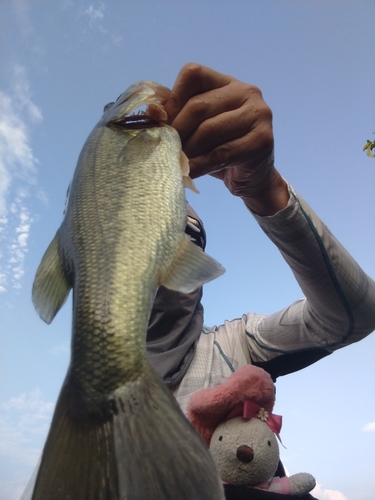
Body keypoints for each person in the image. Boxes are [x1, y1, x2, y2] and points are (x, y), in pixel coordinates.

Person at [145, 63, 375, 500]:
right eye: (137, 231)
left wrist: (264, 188)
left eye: (185, 236)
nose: (163, 252)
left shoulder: (235, 344)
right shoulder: (87, 390)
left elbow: (353, 317)